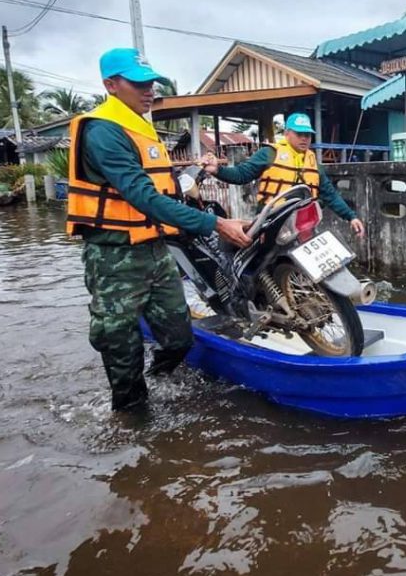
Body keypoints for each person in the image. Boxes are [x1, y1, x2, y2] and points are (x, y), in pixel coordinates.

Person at [68, 47, 252, 412]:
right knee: (121, 347)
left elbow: (167, 190)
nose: (148, 90)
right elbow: (142, 195)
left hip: (155, 249)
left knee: (180, 337)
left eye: (151, 82)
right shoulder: (103, 131)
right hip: (113, 255)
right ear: (111, 84)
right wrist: (216, 223)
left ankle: (159, 381)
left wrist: (200, 211)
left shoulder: (143, 127)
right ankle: (132, 419)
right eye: (138, 84)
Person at [199, 112, 365, 238]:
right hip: (272, 221)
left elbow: (330, 194)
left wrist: (351, 217)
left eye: (307, 135)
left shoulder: (312, 161)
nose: (304, 139)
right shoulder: (269, 153)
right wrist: (218, 170)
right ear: (286, 134)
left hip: (304, 223)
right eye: (299, 134)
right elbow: (242, 174)